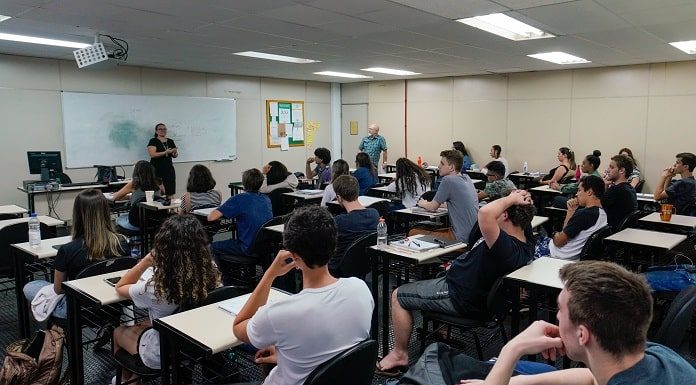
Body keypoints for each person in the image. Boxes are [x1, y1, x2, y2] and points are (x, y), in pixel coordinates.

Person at [377, 190, 535, 376]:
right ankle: (443, 333)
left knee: (398, 296)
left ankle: (399, 354)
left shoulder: (505, 247)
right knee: (433, 275)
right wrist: (522, 201)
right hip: (466, 288)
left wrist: (510, 199)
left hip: (459, 295)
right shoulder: (525, 240)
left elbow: (484, 214)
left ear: (505, 215)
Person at [462, 260, 696, 385]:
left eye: (560, 310)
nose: (555, 317)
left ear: (583, 335)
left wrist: (512, 349)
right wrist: (518, 382)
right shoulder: (651, 354)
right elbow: (593, 378)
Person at [232, 206, 373, 385]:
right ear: (334, 245)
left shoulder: (279, 315)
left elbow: (238, 327)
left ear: (294, 256)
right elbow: (335, 345)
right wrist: (289, 356)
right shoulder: (360, 289)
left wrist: (269, 274)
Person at [112, 215, 220, 382]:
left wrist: (146, 262)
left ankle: (126, 380)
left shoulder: (157, 287)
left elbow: (120, 287)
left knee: (118, 332)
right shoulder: (210, 271)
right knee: (148, 323)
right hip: (197, 342)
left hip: (163, 352)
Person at [23, 189, 129, 318]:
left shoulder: (67, 250)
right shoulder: (121, 242)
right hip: (112, 304)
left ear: (78, 215)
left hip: (77, 308)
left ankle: (56, 328)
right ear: (106, 212)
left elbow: (58, 289)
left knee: (30, 286)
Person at [208, 169, 273, 281]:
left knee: (212, 247)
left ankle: (225, 279)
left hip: (247, 248)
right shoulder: (266, 199)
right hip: (264, 248)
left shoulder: (238, 199)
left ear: (243, 183)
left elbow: (211, 217)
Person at [535, 175, 608, 260]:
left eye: (579, 190)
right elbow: (566, 231)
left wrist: (554, 233)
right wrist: (570, 211)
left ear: (589, 192)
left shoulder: (583, 214)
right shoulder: (603, 213)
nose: (576, 194)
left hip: (556, 254)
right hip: (571, 255)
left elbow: (558, 242)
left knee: (525, 245)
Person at [416, 149, 478, 242]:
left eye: (442, 163)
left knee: (413, 232)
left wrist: (422, 203)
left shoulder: (448, 180)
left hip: (460, 238)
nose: (439, 166)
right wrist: (438, 204)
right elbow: (457, 204)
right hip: (473, 236)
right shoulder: (467, 178)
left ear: (452, 167)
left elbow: (433, 207)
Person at [330, 175, 380, 275]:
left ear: (338, 197)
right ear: (357, 192)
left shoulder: (339, 221)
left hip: (337, 268)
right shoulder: (374, 214)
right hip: (364, 265)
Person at [112, 160, 162, 231]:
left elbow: (115, 198)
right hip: (155, 221)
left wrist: (116, 194)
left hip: (136, 222)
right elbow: (155, 197)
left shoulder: (134, 183)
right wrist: (132, 196)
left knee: (119, 218)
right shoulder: (159, 183)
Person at [601, 154, 638, 229]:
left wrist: (604, 186)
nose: (608, 170)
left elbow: (597, 206)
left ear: (621, 171)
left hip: (611, 232)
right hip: (624, 232)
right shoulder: (630, 188)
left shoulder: (616, 190)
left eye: (611, 167)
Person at [147, 123, 178, 197]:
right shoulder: (153, 141)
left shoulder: (170, 141)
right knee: (158, 191)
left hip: (169, 168)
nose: (163, 130)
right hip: (157, 169)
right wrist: (165, 152)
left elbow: (175, 156)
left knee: (170, 190)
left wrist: (175, 152)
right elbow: (152, 154)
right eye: (160, 129)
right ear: (156, 131)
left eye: (164, 129)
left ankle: (171, 207)